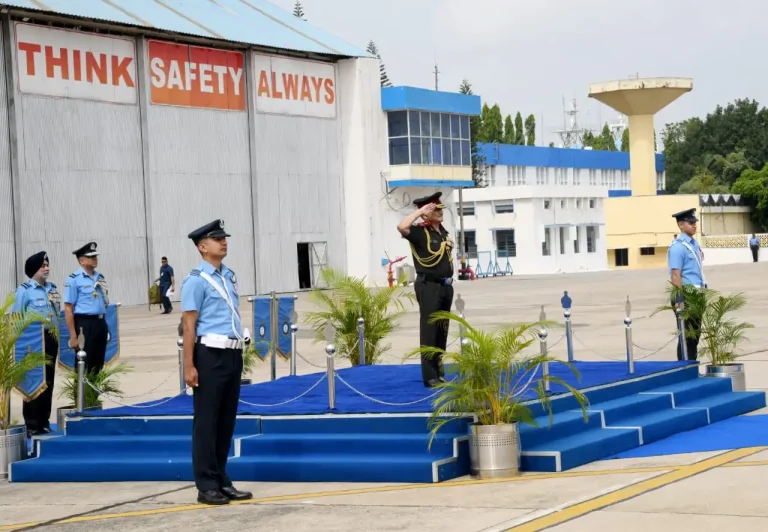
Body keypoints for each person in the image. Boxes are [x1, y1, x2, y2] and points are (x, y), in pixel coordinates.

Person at [181, 219, 252, 505]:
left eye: (224, 238)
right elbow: (189, 325)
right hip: (208, 355)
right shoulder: (196, 281)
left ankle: (221, 478)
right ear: (202, 246)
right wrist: (189, 365)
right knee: (207, 422)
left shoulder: (227, 276)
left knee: (225, 421)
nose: (223, 242)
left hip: (232, 353)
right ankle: (206, 484)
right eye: (217, 239)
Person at [397, 192, 454, 388]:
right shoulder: (420, 233)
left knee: (442, 330)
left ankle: (439, 371)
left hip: (446, 286)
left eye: (439, 209)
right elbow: (402, 227)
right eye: (434, 210)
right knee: (429, 330)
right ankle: (430, 376)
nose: (439, 212)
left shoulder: (443, 233)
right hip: (428, 285)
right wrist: (420, 211)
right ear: (425, 214)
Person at [13, 252, 60, 436]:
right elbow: (17, 319)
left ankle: (44, 421)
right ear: (34, 269)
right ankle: (32, 424)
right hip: (32, 340)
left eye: (47, 264)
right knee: (33, 381)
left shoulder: (52, 289)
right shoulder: (24, 291)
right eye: (43, 265)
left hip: (50, 338)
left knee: (48, 381)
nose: (47, 268)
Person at [64, 242, 109, 374]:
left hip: (100, 323)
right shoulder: (73, 279)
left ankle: (93, 395)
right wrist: (73, 335)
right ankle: (81, 394)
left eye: (95, 256)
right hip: (85, 325)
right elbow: (68, 309)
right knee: (84, 363)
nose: (95, 258)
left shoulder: (99, 277)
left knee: (98, 363)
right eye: (91, 256)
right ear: (82, 260)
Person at [668, 208, 705, 361]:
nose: (694, 225)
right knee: (686, 335)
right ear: (681, 225)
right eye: (690, 223)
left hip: (697, 294)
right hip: (686, 295)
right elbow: (676, 274)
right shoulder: (678, 247)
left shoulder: (694, 245)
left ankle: (692, 366)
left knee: (695, 335)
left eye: (695, 222)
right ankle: (684, 368)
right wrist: (679, 299)